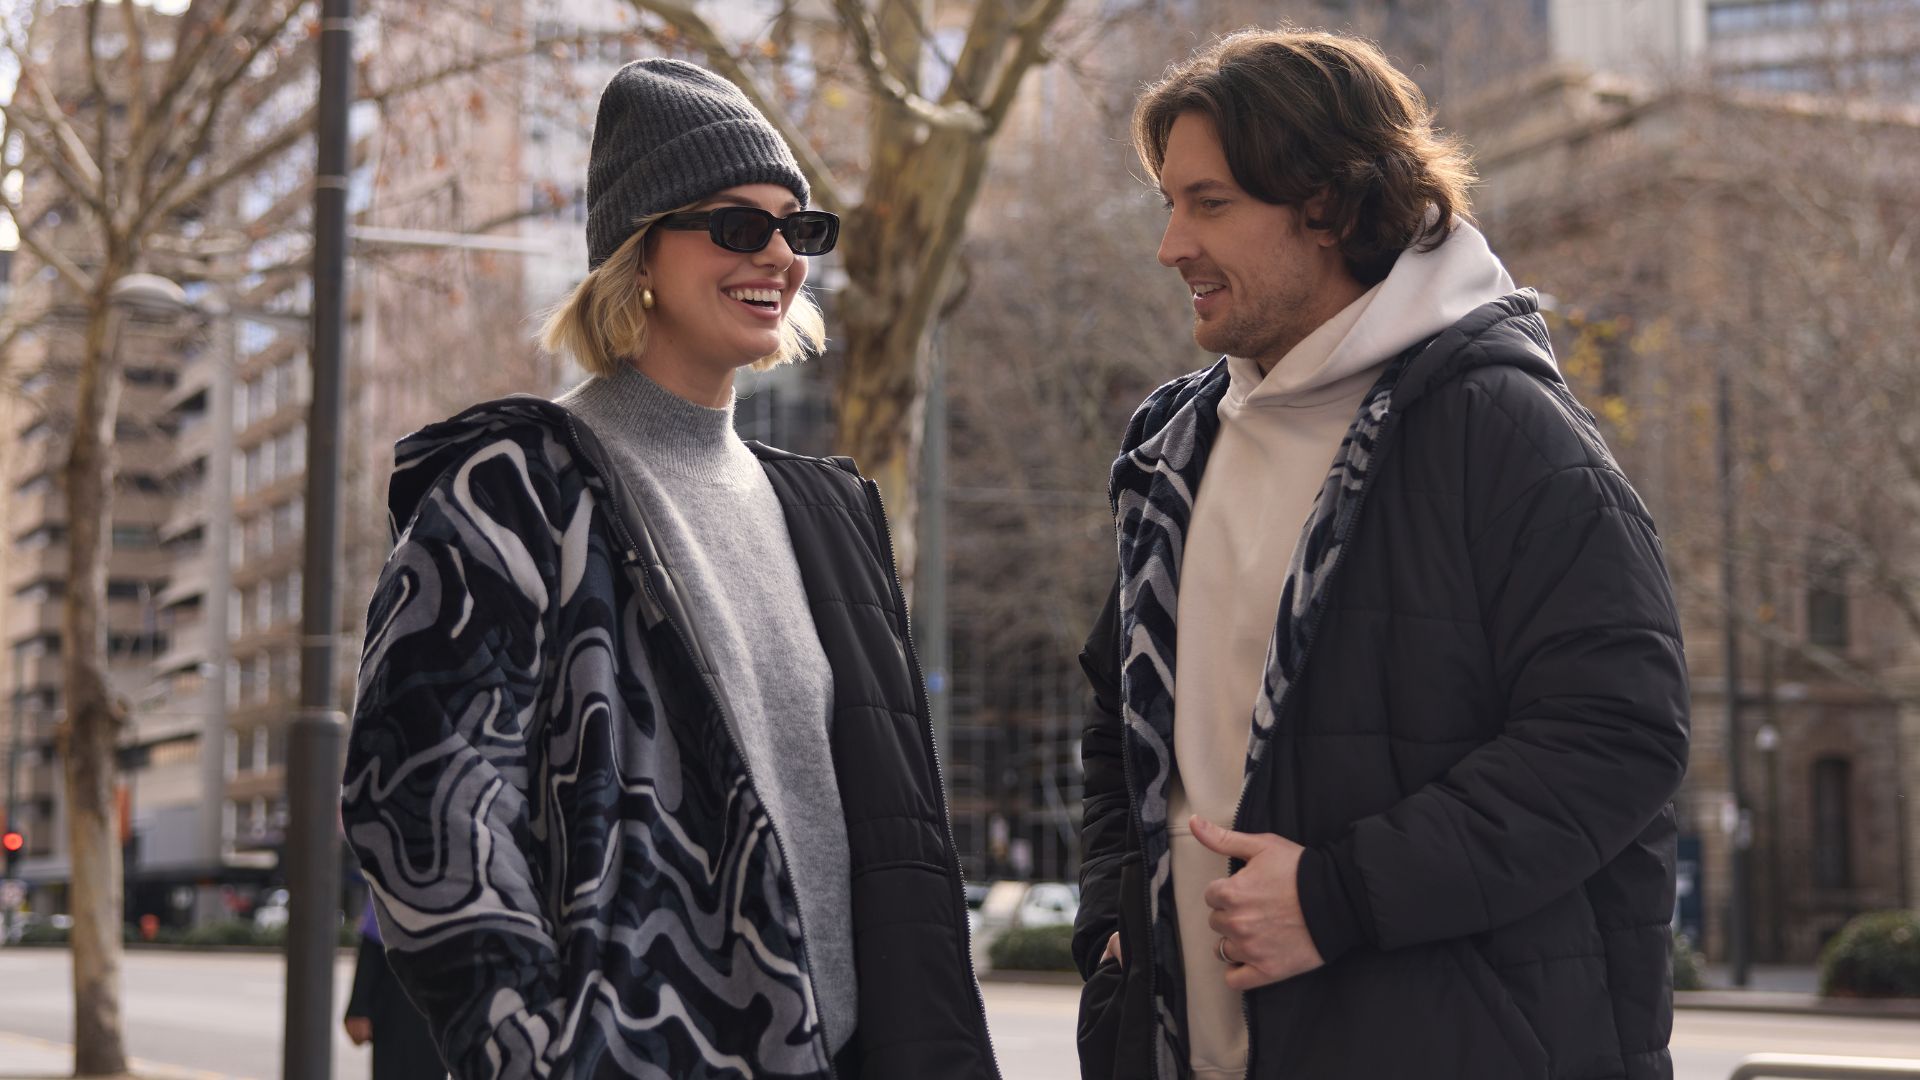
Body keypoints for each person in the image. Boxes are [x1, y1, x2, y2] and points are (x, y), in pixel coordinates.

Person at [342, 58, 998, 1080]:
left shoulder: (830, 512)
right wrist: (534, 1051)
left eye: (799, 228)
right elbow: (419, 792)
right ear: (639, 250)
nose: (779, 254)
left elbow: (895, 840)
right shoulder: (515, 485)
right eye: (738, 225)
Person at [1073, 28, 1690, 1080]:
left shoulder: (1502, 426)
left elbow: (1617, 735)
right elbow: (1116, 724)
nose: (1172, 244)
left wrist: (1339, 897)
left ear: (1332, 206)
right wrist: (1116, 921)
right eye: (1168, 203)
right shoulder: (1176, 446)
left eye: (1209, 203)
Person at [344, 896, 445, 1080]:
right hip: (396, 1001)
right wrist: (358, 1008)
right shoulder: (392, 882)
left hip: (438, 1005)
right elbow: (372, 948)